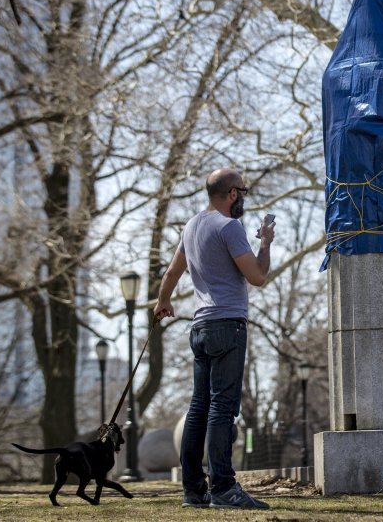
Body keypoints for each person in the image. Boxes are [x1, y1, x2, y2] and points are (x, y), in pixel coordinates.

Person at [154, 168, 275, 510]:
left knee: (198, 408)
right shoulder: (230, 227)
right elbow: (257, 276)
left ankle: (194, 490)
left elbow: (172, 273)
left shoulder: (191, 226)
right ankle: (223, 487)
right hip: (227, 327)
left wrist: (163, 301)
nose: (244, 199)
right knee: (223, 408)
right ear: (233, 194)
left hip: (200, 328)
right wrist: (264, 243)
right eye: (243, 193)